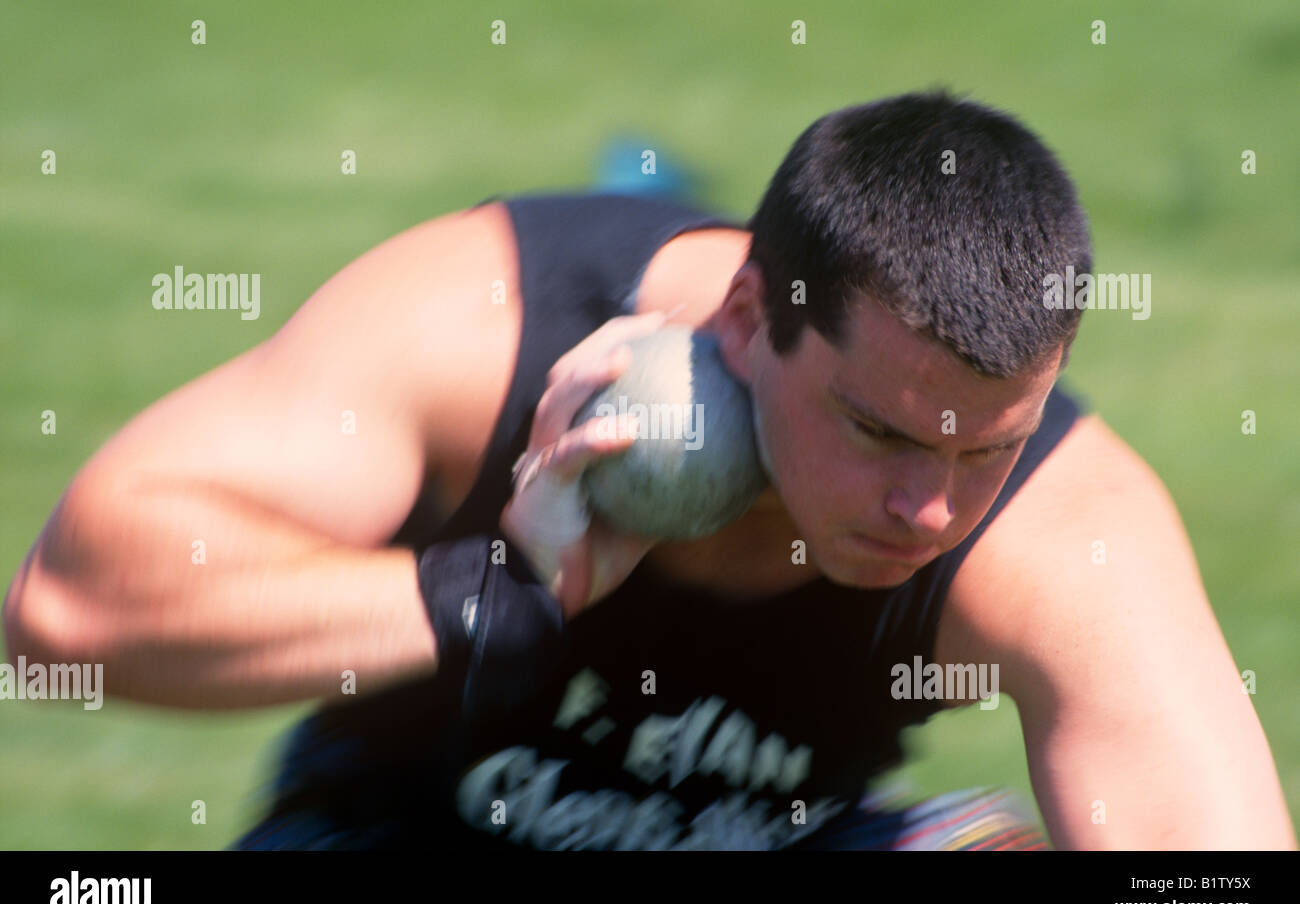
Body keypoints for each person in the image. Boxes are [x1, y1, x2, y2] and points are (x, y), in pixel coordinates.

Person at [4, 92, 1293, 851]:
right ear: (748, 316)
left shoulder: (1064, 524)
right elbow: (67, 615)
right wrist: (491, 594)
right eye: (880, 433)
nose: (931, 507)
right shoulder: (480, 330)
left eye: (986, 448)